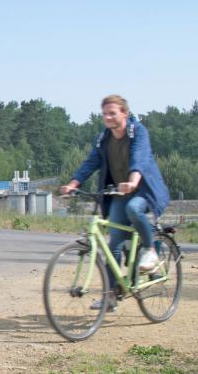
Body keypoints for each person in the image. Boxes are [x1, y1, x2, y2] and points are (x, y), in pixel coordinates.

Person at [60, 94, 170, 310]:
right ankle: (111, 295)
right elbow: (91, 162)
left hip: (145, 191)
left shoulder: (138, 132)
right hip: (120, 193)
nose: (108, 117)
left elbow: (140, 157)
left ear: (125, 114)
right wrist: (73, 183)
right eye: (104, 114)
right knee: (114, 247)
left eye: (112, 113)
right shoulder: (104, 138)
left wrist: (133, 180)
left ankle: (150, 250)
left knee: (133, 208)